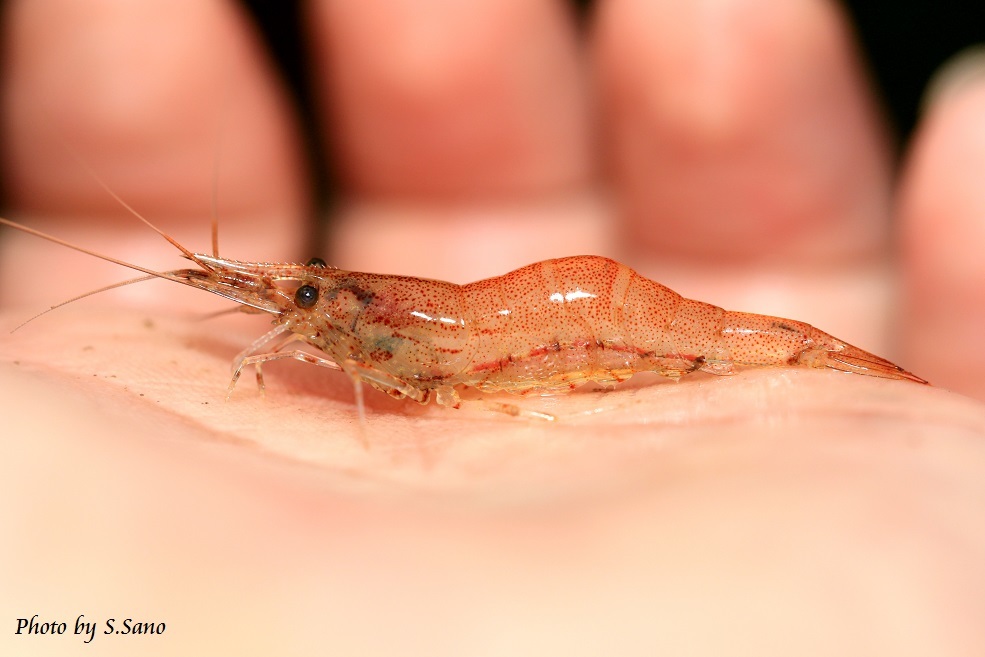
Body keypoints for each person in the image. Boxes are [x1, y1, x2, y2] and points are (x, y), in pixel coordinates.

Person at [2, 1, 984, 653]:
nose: (286, 309)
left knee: (771, 339)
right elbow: (314, 324)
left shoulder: (383, 333)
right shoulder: (340, 317)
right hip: (541, 314)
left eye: (303, 302)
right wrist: (282, 317)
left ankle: (816, 356)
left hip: (581, 315)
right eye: (302, 298)